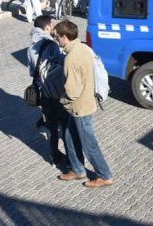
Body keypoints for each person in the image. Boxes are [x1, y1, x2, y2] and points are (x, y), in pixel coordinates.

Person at [55, 20, 113, 188]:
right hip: (85, 103)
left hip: (80, 107)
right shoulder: (84, 48)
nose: (57, 40)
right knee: (69, 136)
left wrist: (62, 100)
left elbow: (72, 91)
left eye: (58, 37)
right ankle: (78, 169)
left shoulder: (71, 58)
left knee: (89, 144)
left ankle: (104, 175)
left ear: (65, 37)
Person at [28, 16, 68, 167]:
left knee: (51, 125)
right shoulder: (52, 45)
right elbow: (60, 65)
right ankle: (71, 157)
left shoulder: (31, 48)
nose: (53, 28)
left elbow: (32, 71)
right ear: (47, 28)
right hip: (56, 91)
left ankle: (54, 156)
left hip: (43, 92)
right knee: (64, 125)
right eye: (51, 25)